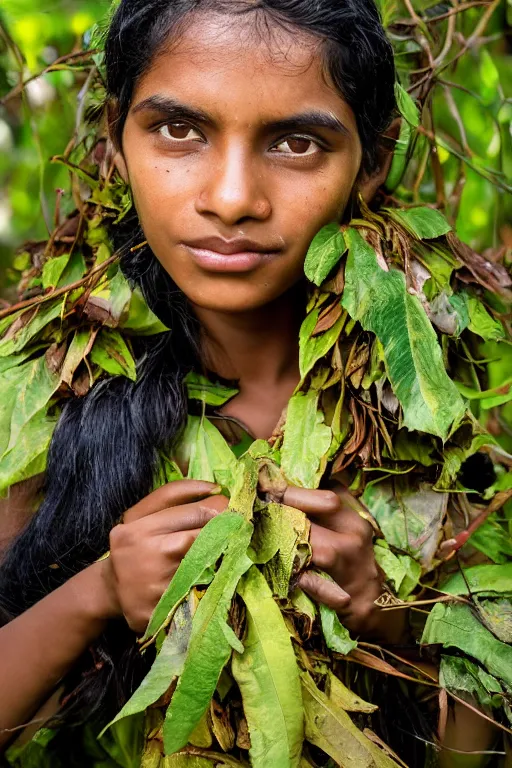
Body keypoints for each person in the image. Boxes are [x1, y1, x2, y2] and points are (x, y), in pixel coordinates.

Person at [0, 1, 501, 765]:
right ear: (114, 136)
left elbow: (477, 750)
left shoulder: (433, 403)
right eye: (179, 131)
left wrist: (400, 618)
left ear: (371, 161)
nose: (232, 198)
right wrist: (99, 592)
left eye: (296, 142)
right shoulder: (37, 391)